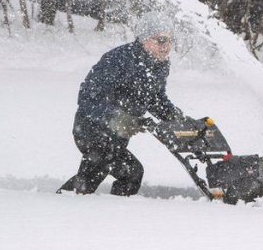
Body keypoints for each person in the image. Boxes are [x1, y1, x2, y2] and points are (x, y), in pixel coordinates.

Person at [59, 11, 184, 196]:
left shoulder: (160, 65)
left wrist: (171, 114)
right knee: (130, 172)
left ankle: (71, 206)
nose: (167, 46)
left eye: (170, 40)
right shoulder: (119, 60)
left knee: (92, 175)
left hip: (117, 137)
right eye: (161, 40)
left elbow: (155, 97)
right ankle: (114, 215)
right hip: (92, 131)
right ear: (145, 39)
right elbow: (88, 98)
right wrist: (119, 118)